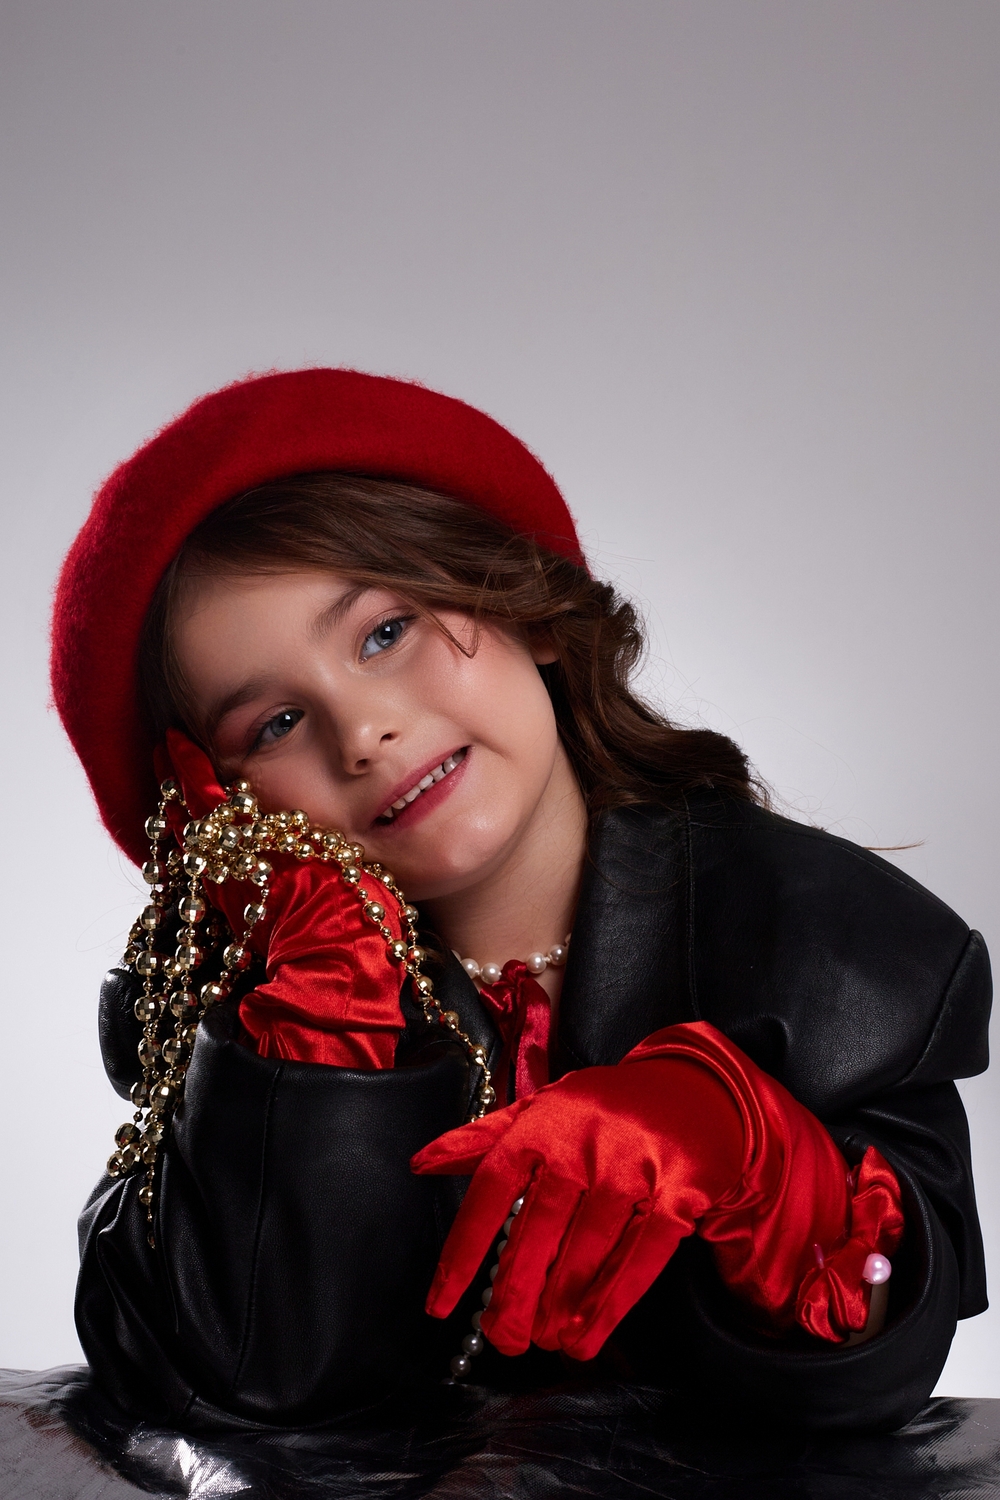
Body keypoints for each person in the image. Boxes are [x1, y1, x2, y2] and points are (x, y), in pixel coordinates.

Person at [51, 368, 991, 1436]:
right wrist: (322, 1005)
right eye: (274, 726)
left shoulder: (835, 952)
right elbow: (233, 1376)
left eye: (385, 633)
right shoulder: (242, 1026)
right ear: (220, 805)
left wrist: (761, 1165)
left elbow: (887, 1354)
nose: (362, 734)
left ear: (524, 605)